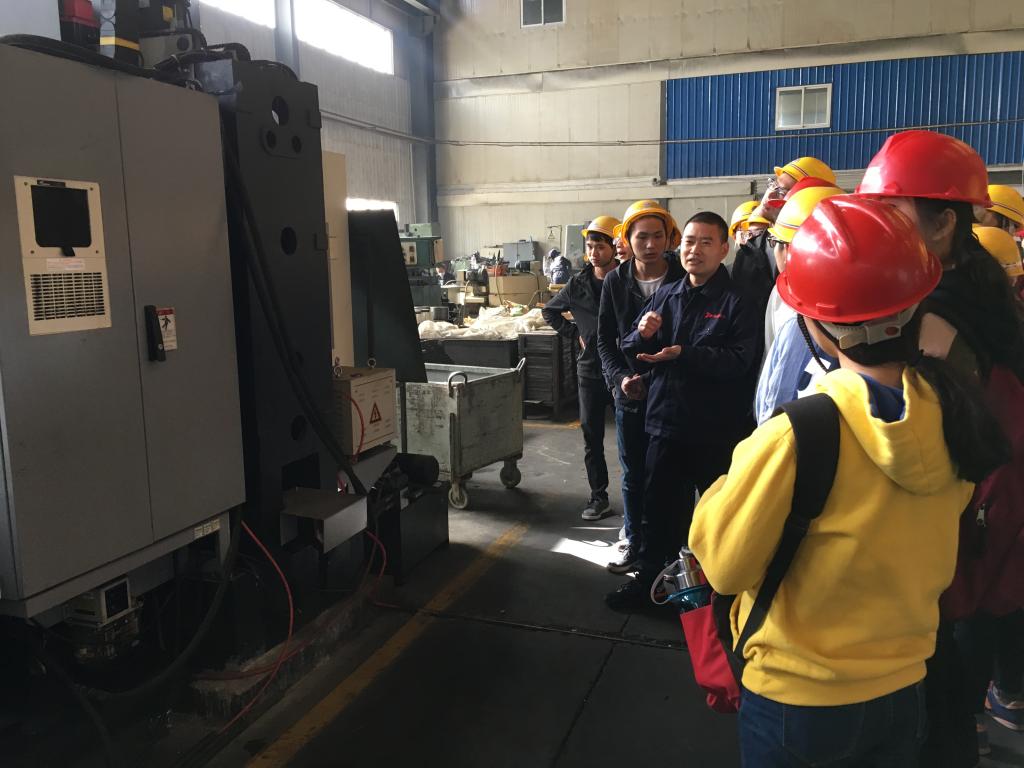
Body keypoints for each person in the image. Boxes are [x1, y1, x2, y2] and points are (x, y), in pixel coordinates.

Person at [690, 196, 1009, 767]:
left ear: (816, 325)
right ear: (917, 306)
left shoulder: (798, 434)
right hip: (905, 686)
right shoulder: (955, 414)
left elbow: (724, 565)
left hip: (801, 700)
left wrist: (721, 490)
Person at [856, 128, 1024, 767]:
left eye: (892, 209)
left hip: (962, 508)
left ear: (944, 222)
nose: (881, 223)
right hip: (995, 500)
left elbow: (919, 435)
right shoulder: (978, 282)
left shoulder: (933, 312)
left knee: (944, 650)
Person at [605, 211, 758, 611]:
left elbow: (740, 362)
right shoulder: (667, 295)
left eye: (706, 242)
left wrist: (684, 354)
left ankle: (718, 600)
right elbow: (629, 347)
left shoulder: (739, 300)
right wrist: (642, 335)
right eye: (689, 241)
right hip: (665, 425)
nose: (695, 250)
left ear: (724, 249)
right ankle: (650, 588)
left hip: (715, 432)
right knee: (658, 515)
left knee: (717, 519)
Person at [597, 200, 685, 575]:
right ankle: (635, 541)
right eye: (641, 236)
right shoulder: (615, 282)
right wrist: (621, 380)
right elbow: (604, 341)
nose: (650, 244)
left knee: (672, 475)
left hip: (671, 393)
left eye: (658, 236)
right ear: (627, 240)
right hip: (630, 394)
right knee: (633, 474)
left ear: (669, 238)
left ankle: (673, 549)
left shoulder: (682, 276)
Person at [541, 215, 621, 520]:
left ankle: (637, 500)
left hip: (623, 371)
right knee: (592, 438)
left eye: (600, 246)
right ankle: (599, 497)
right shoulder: (578, 284)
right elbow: (550, 311)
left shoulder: (626, 280)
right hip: (590, 372)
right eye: (590, 246)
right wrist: (576, 334)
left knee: (632, 438)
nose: (594, 252)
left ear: (614, 247)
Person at [754, 184, 844, 424]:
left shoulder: (797, 324)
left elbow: (769, 396)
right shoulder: (876, 318)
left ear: (789, 250)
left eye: (775, 242)